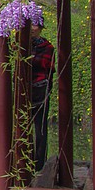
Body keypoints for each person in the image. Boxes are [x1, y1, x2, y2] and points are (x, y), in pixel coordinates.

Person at [28, 20, 55, 170]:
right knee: (23, 126)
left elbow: (47, 68)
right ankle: (24, 160)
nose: (32, 28)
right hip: (23, 89)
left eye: (35, 25)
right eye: (30, 25)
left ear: (40, 28)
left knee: (40, 127)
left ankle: (39, 163)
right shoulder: (19, 44)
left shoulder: (48, 47)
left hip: (40, 89)